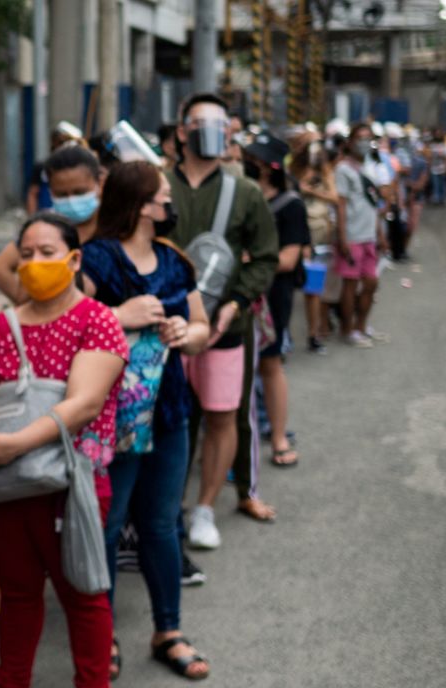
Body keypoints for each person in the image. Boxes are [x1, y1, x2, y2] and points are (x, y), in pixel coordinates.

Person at [0, 212, 127, 688]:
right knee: (18, 590)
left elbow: (86, 402)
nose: (33, 263)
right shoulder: (0, 325)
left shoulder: (98, 320)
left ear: (74, 259)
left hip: (70, 484)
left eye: (47, 251)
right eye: (26, 253)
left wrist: (13, 445)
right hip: (5, 483)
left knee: (85, 592)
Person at [80, 160, 212, 681]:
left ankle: (168, 631)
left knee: (162, 524)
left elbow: (202, 327)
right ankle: (102, 634)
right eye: (161, 198)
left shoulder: (175, 261)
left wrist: (188, 332)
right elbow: (66, 324)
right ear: (138, 205)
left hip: (170, 412)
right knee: (108, 528)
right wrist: (119, 316)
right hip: (111, 417)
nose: (169, 206)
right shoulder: (96, 259)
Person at [167, 92, 278, 551]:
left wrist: (236, 302)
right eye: (201, 123)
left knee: (220, 415)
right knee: (164, 422)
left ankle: (205, 508)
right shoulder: (155, 185)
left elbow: (265, 258)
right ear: (181, 132)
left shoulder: (245, 191)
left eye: (220, 125)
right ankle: (164, 511)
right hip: (162, 329)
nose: (212, 132)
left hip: (222, 330)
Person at [243, 134, 307, 469]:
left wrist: (248, 257)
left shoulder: (290, 205)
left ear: (267, 168)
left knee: (270, 365)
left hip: (272, 298)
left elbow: (289, 259)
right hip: (240, 293)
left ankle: (278, 437)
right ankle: (236, 448)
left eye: (251, 160)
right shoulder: (242, 197)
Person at [0, 146, 106, 303]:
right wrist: (27, 306)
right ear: (50, 190)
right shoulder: (45, 227)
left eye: (79, 192)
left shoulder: (115, 224)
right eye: (62, 194)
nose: (71, 200)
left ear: (99, 183)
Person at [334, 123, 388, 348]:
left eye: (368, 138)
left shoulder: (370, 167)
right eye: (360, 138)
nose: (364, 142)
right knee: (350, 284)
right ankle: (348, 331)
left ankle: (361, 326)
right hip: (352, 236)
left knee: (371, 282)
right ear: (350, 142)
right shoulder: (343, 169)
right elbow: (341, 206)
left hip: (370, 236)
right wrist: (343, 237)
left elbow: (373, 204)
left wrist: (380, 233)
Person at [289, 133, 341, 354]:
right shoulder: (292, 169)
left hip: (318, 233)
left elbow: (335, 198)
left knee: (313, 286)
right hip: (293, 232)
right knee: (288, 287)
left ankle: (314, 334)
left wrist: (312, 190)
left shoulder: (324, 170)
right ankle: (283, 336)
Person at [26, 120, 85, 213]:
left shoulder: (81, 168)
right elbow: (33, 193)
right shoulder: (42, 168)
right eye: (61, 142)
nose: (65, 145)